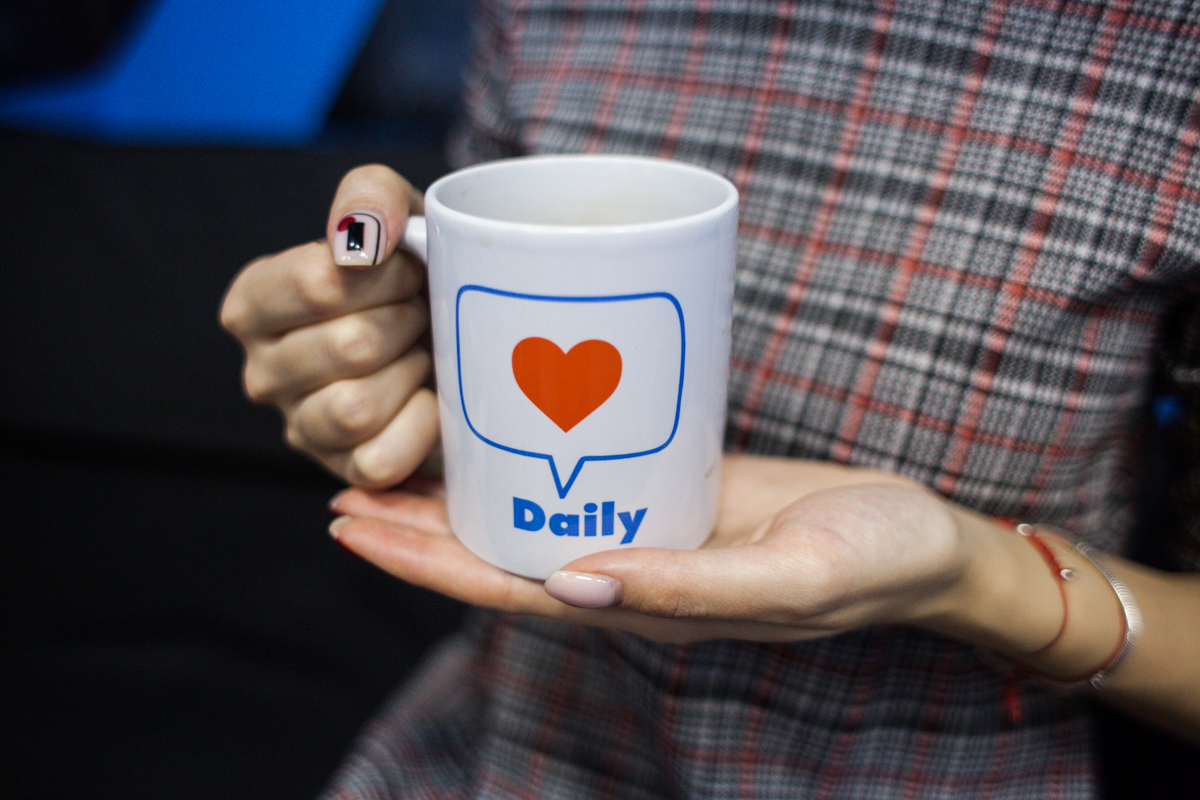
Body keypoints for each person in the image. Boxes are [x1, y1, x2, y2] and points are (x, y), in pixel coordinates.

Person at [220, 0, 1200, 796]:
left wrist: (973, 576)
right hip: (498, 751)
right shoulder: (544, 11)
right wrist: (371, 359)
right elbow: (471, 310)